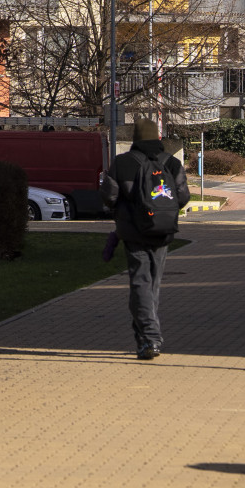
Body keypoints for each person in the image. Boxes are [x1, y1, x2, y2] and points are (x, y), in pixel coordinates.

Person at [102, 120, 186, 360]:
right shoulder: (172, 162)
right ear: (157, 138)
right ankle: (146, 339)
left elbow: (109, 195)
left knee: (140, 283)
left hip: (134, 233)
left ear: (136, 139)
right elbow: (182, 196)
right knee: (153, 285)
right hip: (162, 231)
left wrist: (124, 210)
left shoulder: (123, 163)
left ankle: (149, 338)